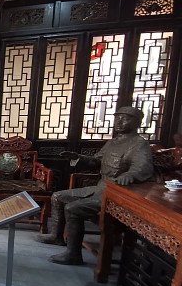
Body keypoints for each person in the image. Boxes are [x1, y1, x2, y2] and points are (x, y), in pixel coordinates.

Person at [37, 106, 154, 265]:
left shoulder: (139, 144)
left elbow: (142, 168)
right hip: (101, 186)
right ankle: (56, 236)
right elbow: (96, 161)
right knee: (58, 196)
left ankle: (73, 254)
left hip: (116, 192)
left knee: (72, 208)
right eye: (117, 118)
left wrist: (128, 175)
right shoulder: (112, 142)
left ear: (137, 123)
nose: (119, 121)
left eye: (125, 118)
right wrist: (78, 157)